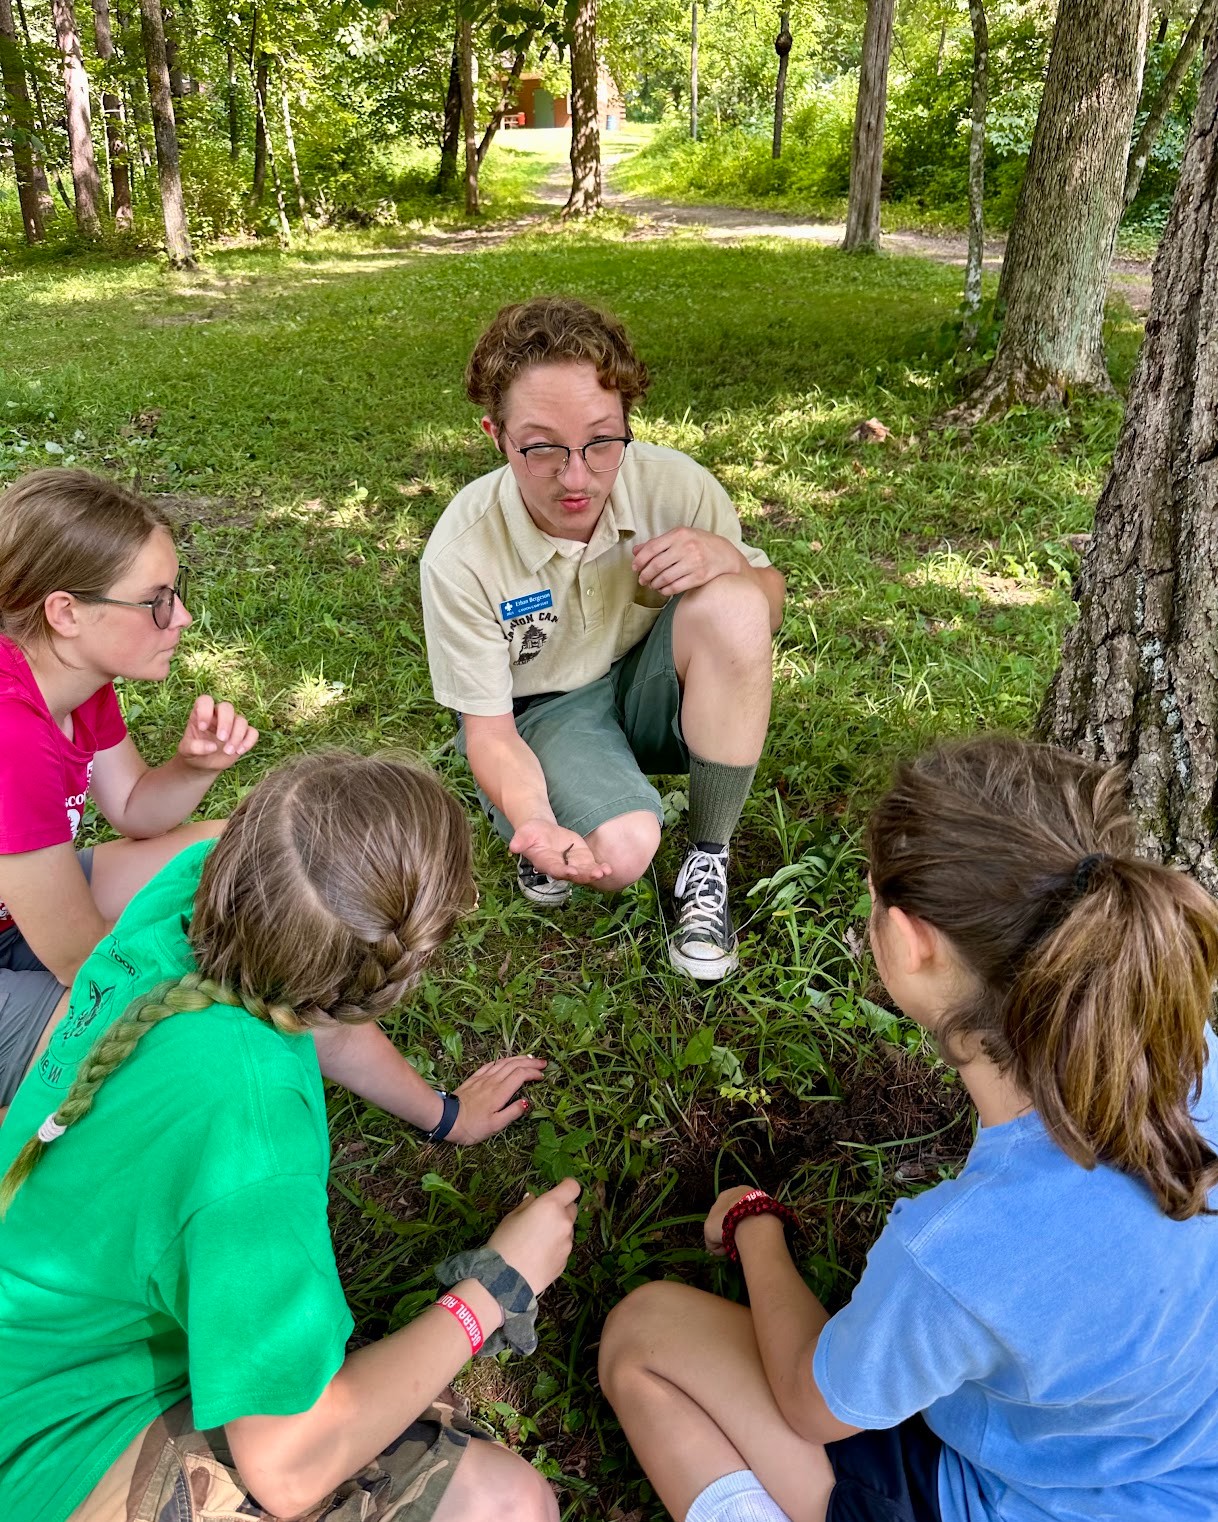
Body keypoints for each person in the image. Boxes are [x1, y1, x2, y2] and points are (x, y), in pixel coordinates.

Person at [598, 735, 1218, 1522]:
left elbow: (806, 1403)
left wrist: (756, 1228)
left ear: (913, 942)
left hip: (1015, 1502)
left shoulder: (957, 1254)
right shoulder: (1196, 1055)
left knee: (642, 1336)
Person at [0, 750, 574, 1522]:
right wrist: (497, 1287)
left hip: (35, 1339)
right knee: (504, 1505)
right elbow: (289, 1464)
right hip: (49, 1454)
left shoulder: (195, 888)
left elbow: (316, 1020)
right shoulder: (254, 1142)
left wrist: (446, 1114)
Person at [420, 297, 785, 982]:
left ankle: (709, 857)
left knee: (735, 604)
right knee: (621, 852)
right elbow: (490, 733)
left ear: (627, 427)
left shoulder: (677, 485)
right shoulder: (461, 553)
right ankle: (540, 819)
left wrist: (727, 562)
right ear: (494, 435)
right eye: (541, 448)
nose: (578, 476)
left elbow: (768, 607)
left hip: (646, 683)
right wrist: (536, 819)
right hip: (543, 712)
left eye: (601, 441)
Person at [0, 467, 260, 1112]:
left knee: (239, 851)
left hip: (16, 915)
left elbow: (135, 810)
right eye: (157, 600)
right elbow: (78, 958)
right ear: (66, 612)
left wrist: (194, 769)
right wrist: (217, 961)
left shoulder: (73, 676)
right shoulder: (11, 733)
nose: (183, 617)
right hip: (40, 931)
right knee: (171, 1049)